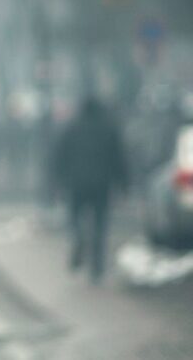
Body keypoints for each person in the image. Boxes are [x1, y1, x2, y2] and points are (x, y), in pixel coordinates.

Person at [49, 97, 128, 283]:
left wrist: (57, 181)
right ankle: (97, 268)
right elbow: (119, 159)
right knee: (100, 226)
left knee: (74, 217)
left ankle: (78, 238)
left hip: (76, 183)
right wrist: (124, 185)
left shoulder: (71, 127)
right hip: (102, 185)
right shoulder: (109, 128)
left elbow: (59, 156)